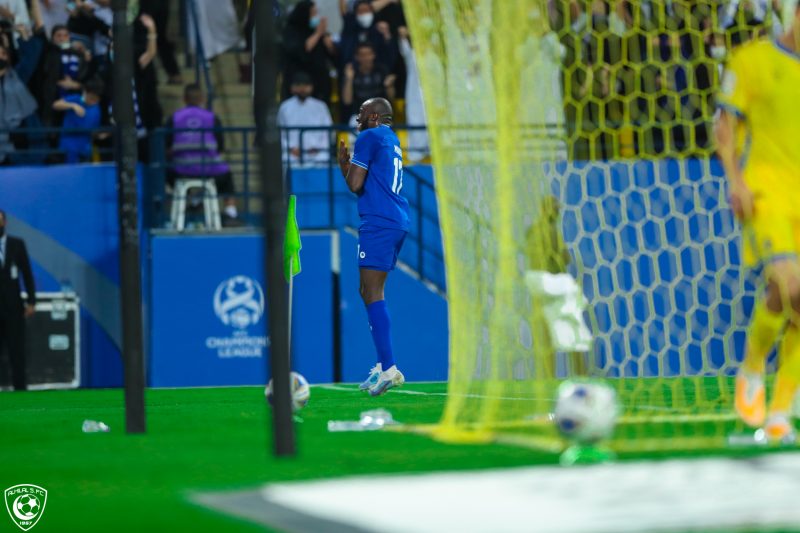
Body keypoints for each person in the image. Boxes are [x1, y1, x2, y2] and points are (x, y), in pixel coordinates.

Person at [716, 0, 800, 443]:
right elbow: (725, 125)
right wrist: (735, 181)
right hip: (767, 192)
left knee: (797, 303)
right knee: (789, 287)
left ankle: (781, 414)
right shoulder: (752, 59)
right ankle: (751, 371)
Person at [337, 97, 408, 396]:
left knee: (372, 291)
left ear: (376, 117)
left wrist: (345, 164)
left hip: (379, 221)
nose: (359, 119)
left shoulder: (369, 136)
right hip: (393, 219)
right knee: (367, 290)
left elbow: (355, 185)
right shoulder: (390, 138)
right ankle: (383, 365)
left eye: (364, 114)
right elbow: (364, 186)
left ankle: (390, 369)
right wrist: (347, 165)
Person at [165, 83, 239, 225]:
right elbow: (220, 147)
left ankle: (193, 200)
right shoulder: (212, 118)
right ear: (202, 99)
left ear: (184, 99)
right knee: (227, 176)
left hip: (181, 171)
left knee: (165, 171)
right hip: (210, 169)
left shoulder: (174, 118)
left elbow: (165, 146)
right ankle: (231, 213)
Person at [0, 210, 36, 391]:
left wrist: (31, 301)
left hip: (14, 308)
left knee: (17, 353)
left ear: (4, 222)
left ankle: (21, 392)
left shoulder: (17, 245)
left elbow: (27, 275)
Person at [280, 0, 336, 105]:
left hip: (320, 83)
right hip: (299, 80)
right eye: (313, 13)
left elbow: (332, 54)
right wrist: (318, 33)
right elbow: (301, 50)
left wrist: (327, 40)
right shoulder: (292, 30)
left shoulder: (319, 32)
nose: (316, 16)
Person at [277, 71, 333, 167]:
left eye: (306, 85)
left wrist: (318, 148)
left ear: (311, 87)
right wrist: (291, 148)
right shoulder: (285, 107)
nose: (302, 89)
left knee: (324, 157)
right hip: (292, 153)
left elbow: (328, 132)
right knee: (285, 159)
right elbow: (279, 132)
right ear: (292, 88)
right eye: (298, 85)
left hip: (316, 153)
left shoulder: (320, 106)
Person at [53, 76, 103, 163]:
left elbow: (94, 133)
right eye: (91, 98)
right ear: (85, 93)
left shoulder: (97, 109)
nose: (93, 101)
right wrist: (72, 106)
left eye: (96, 99)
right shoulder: (76, 99)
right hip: (68, 148)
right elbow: (56, 105)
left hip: (84, 151)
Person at [342, 42, 395, 121]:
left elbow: (392, 97)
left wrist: (389, 86)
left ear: (373, 55)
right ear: (357, 57)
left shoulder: (382, 71)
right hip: (358, 116)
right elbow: (347, 101)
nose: (365, 58)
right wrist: (349, 79)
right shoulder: (352, 72)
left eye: (368, 54)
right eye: (362, 55)